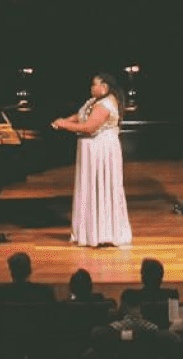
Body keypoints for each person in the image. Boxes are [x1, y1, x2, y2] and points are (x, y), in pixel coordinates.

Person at [53, 70, 132, 248]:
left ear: (104, 87)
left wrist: (64, 125)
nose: (91, 87)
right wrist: (64, 119)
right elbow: (81, 115)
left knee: (101, 186)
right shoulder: (95, 101)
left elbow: (89, 126)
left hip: (101, 150)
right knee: (92, 187)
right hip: (92, 150)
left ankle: (104, 233)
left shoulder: (105, 104)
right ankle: (90, 232)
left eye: (94, 84)